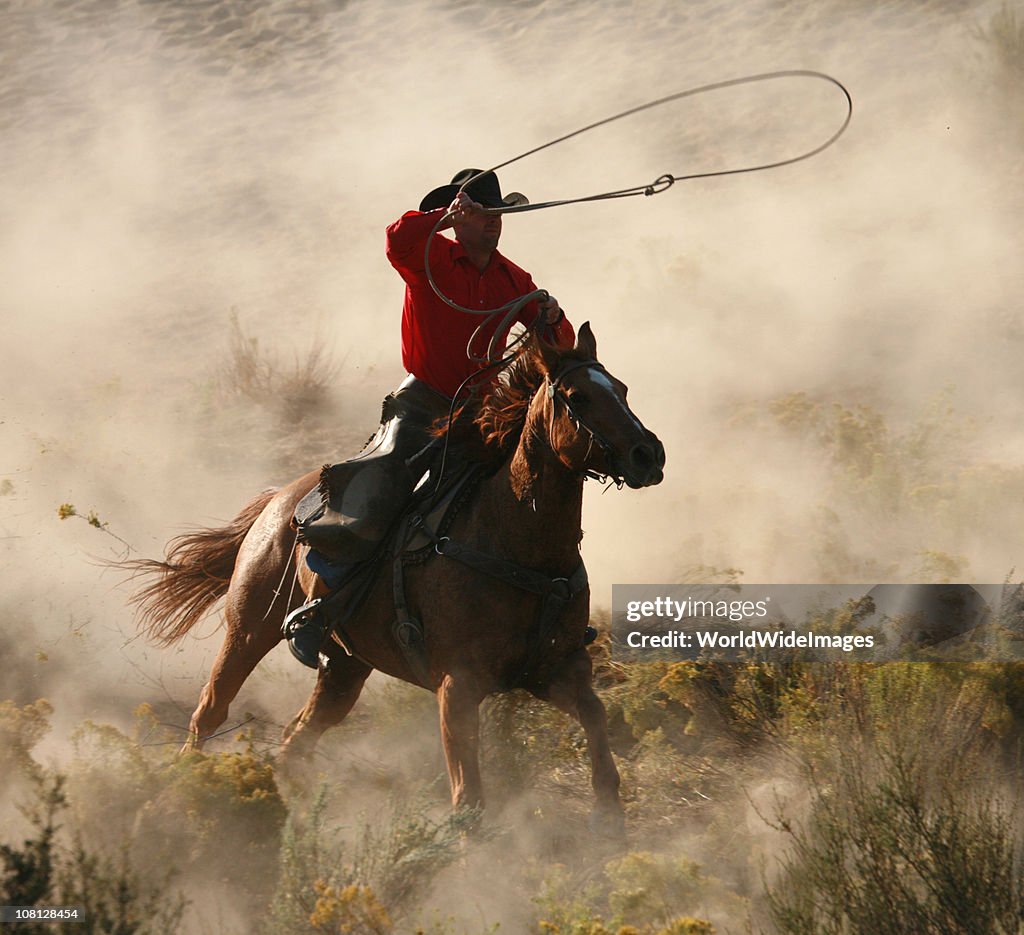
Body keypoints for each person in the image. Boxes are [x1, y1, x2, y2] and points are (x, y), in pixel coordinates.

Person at [285, 169, 575, 667]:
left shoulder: (513, 279)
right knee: (379, 488)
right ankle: (319, 605)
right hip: (421, 404)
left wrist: (550, 317)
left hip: (483, 411)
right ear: (462, 217)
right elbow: (397, 238)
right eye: (483, 214)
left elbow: (561, 345)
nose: (494, 224)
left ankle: (552, 608)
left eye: (498, 215)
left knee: (532, 489)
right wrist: (443, 216)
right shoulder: (431, 256)